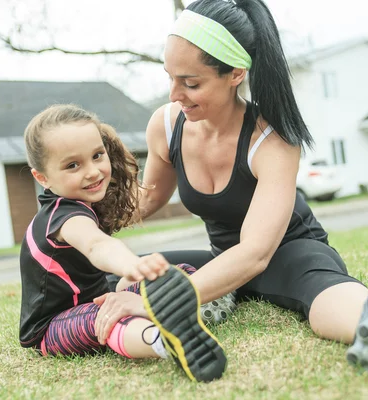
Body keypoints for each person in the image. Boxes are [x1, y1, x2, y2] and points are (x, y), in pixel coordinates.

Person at [99, 0, 368, 374]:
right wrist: (83, 221)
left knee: (320, 292)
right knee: (129, 275)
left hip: (289, 253)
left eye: (191, 83)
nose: (174, 94)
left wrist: (158, 304)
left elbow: (254, 254)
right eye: (170, 76)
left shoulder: (271, 139)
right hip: (224, 262)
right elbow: (148, 197)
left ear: (235, 74)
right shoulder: (167, 125)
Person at [18, 104, 227, 382]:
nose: (92, 171)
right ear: (42, 177)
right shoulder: (63, 216)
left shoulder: (83, 202)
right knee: (109, 319)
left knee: (179, 273)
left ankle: (195, 312)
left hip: (100, 293)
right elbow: (96, 246)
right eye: (73, 165)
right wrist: (133, 264)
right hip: (53, 326)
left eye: (96, 156)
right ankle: (163, 341)